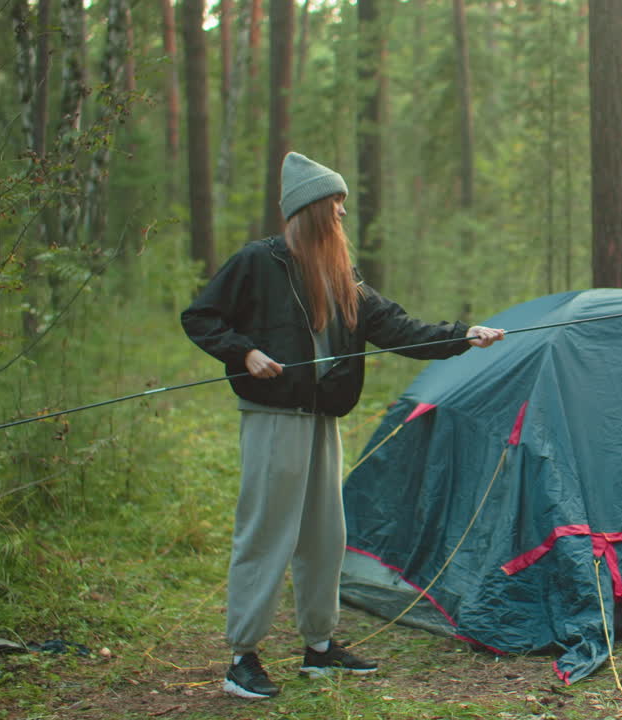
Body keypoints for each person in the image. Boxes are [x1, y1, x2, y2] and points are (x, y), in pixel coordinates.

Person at [182, 152, 505, 698]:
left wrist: (461, 335)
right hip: (273, 418)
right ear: (310, 210)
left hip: (322, 420)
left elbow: (394, 326)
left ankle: (320, 648)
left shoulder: (340, 273)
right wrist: (245, 353)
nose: (342, 217)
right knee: (266, 534)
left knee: (325, 537)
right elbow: (201, 317)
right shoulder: (256, 262)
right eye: (336, 206)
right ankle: (243, 658)